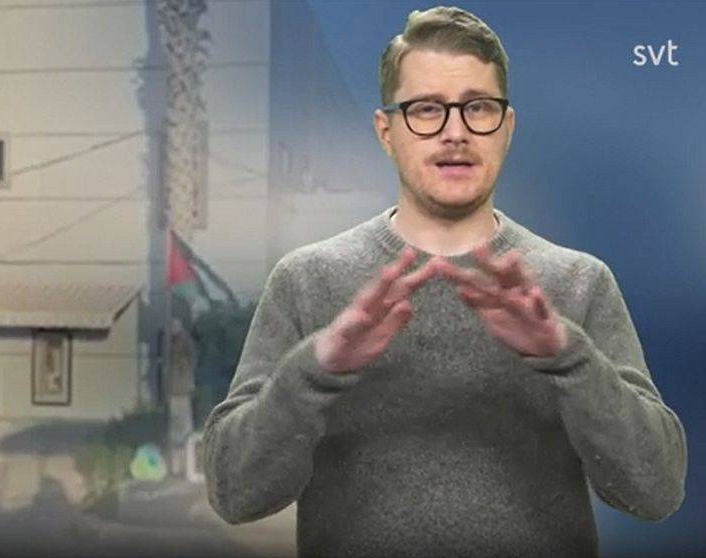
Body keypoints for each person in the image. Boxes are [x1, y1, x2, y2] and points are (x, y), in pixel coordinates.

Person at [201, 6, 687, 558]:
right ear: (385, 131)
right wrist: (316, 370)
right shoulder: (307, 280)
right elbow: (235, 494)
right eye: (426, 109)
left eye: (478, 107)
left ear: (507, 127)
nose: (455, 132)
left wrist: (568, 358)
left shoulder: (579, 282)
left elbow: (655, 492)